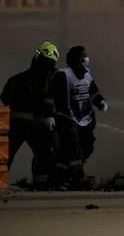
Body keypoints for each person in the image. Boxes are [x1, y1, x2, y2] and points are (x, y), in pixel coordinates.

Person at [0, 42, 61, 188]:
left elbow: (4, 98)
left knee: (6, 155)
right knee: (43, 154)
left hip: (11, 122)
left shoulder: (16, 79)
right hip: (35, 124)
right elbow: (48, 100)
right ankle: (42, 184)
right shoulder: (46, 80)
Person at [51, 46, 108, 187]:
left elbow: (92, 90)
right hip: (67, 118)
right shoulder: (63, 75)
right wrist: (49, 115)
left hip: (85, 118)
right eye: (83, 55)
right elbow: (51, 95)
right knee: (73, 147)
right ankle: (78, 177)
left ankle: (59, 176)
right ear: (75, 58)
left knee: (85, 146)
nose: (86, 58)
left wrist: (100, 101)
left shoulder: (87, 74)